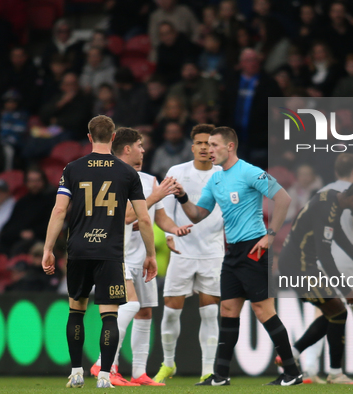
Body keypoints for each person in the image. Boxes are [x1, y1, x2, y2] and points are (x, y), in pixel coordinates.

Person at [172, 126, 301, 386]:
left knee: (263, 311)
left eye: (214, 145)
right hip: (232, 252)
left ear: (230, 146)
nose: (209, 150)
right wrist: (183, 197)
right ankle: (220, 376)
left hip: (254, 247)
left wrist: (270, 235)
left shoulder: (250, 171)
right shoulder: (216, 180)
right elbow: (198, 215)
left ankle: (292, 372)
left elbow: (284, 199)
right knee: (228, 309)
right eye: (206, 145)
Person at [41, 115, 157, 389]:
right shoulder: (128, 173)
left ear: (90, 137)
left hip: (79, 250)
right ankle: (105, 375)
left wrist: (48, 248)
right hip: (110, 251)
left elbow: (59, 210)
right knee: (109, 315)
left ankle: (76, 371)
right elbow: (143, 218)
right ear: (114, 137)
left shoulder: (72, 169)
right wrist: (151, 254)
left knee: (76, 311)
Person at [89, 127, 191, 386]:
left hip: (140, 256)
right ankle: (105, 364)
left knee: (144, 313)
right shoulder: (111, 176)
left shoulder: (149, 180)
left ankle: (139, 373)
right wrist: (156, 197)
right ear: (126, 149)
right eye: (140, 145)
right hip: (116, 254)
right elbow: (125, 216)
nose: (144, 150)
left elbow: (160, 217)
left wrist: (175, 230)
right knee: (129, 306)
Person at [276, 179, 353, 384]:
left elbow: (337, 233)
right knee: (339, 311)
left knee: (333, 312)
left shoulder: (331, 198)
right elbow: (325, 255)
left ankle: (291, 355)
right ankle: (335, 373)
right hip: (300, 267)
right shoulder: (328, 209)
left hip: (300, 263)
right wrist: (346, 290)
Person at [153, 124, 225, 383]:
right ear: (192, 146)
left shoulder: (223, 173)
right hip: (183, 251)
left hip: (213, 252)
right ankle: (168, 364)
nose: (205, 147)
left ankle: (207, 370)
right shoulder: (177, 171)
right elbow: (164, 207)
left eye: (210, 143)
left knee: (209, 312)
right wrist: (170, 235)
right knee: (172, 310)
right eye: (200, 143)